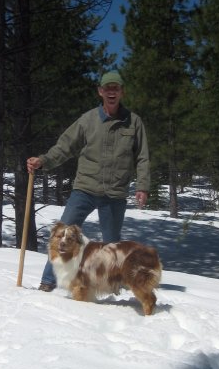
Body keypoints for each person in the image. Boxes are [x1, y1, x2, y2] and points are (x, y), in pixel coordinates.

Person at [27, 71, 150, 292]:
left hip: (114, 193)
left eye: (116, 88)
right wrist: (43, 161)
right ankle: (48, 281)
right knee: (62, 235)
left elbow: (142, 156)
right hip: (84, 189)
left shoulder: (134, 122)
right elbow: (65, 146)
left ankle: (111, 286)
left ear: (122, 92)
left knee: (112, 244)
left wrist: (142, 186)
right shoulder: (87, 120)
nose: (112, 92)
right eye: (107, 88)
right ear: (100, 91)